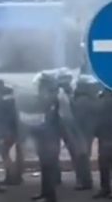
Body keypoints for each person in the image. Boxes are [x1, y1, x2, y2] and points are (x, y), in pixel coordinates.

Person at [31, 72, 62, 202]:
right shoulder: (48, 98)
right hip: (45, 140)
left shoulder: (52, 100)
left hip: (50, 140)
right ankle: (44, 193)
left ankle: (51, 197)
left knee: (49, 169)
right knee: (45, 168)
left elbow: (47, 122)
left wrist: (33, 129)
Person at [94, 89, 112, 200]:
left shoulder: (110, 104)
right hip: (110, 139)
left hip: (111, 139)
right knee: (109, 166)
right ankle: (111, 190)